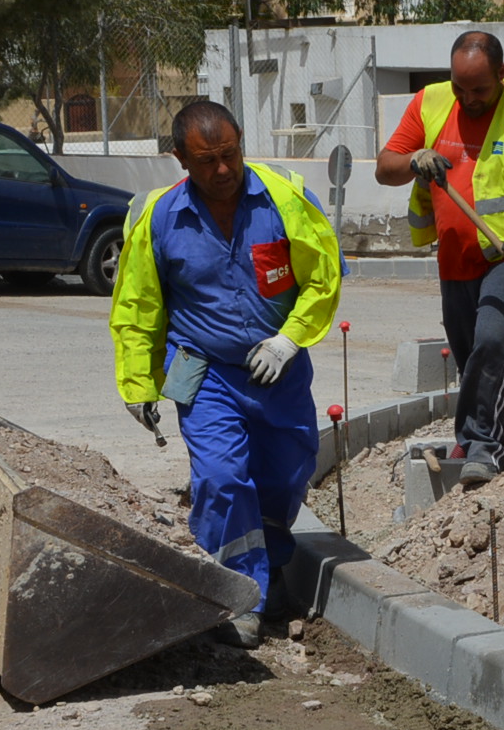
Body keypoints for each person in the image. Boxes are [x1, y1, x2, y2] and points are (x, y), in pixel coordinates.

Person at [109, 99, 339, 640]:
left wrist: (288, 340)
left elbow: (323, 278)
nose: (222, 170)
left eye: (230, 155)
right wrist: (139, 384)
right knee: (222, 477)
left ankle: (273, 564)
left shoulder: (284, 200)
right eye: (207, 161)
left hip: (278, 370)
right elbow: (138, 307)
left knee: (287, 471)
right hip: (203, 370)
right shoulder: (157, 218)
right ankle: (240, 593)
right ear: (179, 161)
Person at [375, 29, 504, 484]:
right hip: (456, 258)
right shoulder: (430, 103)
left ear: (502, 74)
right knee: (479, 361)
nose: (467, 98)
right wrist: (415, 159)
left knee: (490, 340)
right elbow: (387, 168)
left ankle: (480, 448)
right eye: (460, 87)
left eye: (479, 89)